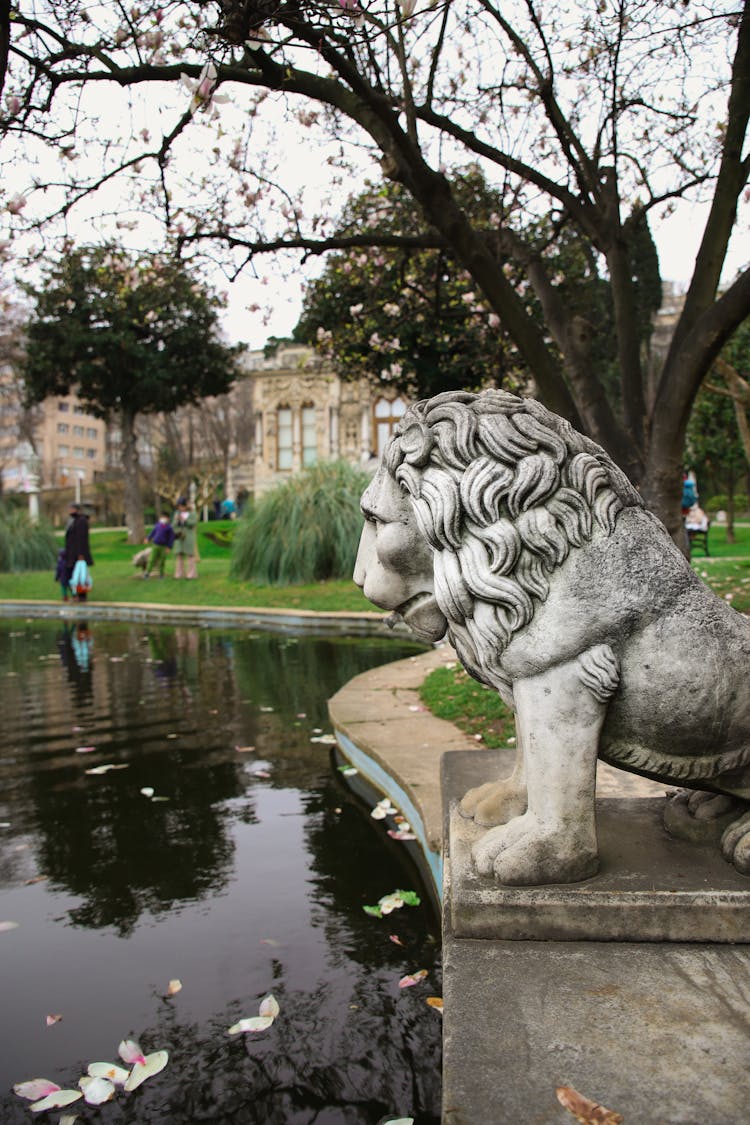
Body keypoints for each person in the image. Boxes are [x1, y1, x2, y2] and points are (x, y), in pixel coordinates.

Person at [64, 502, 93, 602]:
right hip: (71, 553)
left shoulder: (81, 521)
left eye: (72, 509)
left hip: (78, 553)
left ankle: (81, 595)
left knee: (80, 574)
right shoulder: (72, 521)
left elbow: (82, 538)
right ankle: (75, 594)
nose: (70, 511)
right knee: (71, 574)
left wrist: (81, 554)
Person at [171, 497, 199, 579]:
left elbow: (193, 523)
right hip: (179, 536)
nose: (180, 508)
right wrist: (177, 521)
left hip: (188, 536)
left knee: (190, 555)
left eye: (182, 506)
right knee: (179, 555)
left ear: (186, 506)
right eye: (179, 506)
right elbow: (173, 524)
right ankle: (179, 573)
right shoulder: (177, 513)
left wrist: (185, 520)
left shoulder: (192, 513)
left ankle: (191, 574)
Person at [144, 513, 175, 578]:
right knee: (152, 559)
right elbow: (152, 532)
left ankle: (161, 574)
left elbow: (171, 538)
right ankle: (147, 573)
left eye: (165, 517)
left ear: (168, 519)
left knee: (162, 560)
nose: (163, 519)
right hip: (155, 545)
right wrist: (148, 538)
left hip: (163, 546)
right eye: (162, 517)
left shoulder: (169, 528)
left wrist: (169, 547)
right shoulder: (157, 525)